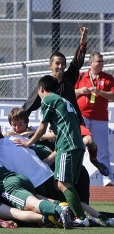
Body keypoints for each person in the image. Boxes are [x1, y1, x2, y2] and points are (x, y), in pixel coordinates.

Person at [22, 24, 109, 177]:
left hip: (75, 122)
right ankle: (43, 171)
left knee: (89, 141)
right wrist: (21, 121)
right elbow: (28, 106)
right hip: (55, 127)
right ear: (50, 66)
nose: (61, 66)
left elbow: (77, 61)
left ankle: (95, 161)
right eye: (57, 63)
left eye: (63, 63)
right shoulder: (45, 85)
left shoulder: (69, 78)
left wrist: (83, 40)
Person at [15, 75, 88, 227]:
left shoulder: (48, 100)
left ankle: (81, 217)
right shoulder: (65, 101)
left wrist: (29, 142)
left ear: (41, 89)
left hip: (66, 146)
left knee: (62, 183)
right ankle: (79, 214)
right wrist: (34, 136)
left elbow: (42, 128)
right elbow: (55, 133)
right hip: (77, 145)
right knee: (65, 184)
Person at [75, 51, 114, 186]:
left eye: (102, 62)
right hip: (82, 116)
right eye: (98, 61)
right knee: (79, 146)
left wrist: (100, 92)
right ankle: (76, 175)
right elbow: (70, 93)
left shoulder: (108, 78)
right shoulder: (81, 76)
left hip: (100, 118)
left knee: (102, 149)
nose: (101, 64)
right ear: (91, 63)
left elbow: (113, 96)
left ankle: (107, 177)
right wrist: (81, 91)